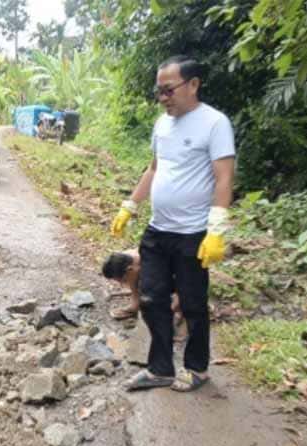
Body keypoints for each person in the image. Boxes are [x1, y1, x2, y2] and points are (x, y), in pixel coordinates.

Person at [110, 55, 236, 393]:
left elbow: (223, 178)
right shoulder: (161, 125)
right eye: (159, 92)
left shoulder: (214, 123)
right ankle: (160, 368)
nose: (163, 98)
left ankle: (196, 368)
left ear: (193, 85)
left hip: (193, 233)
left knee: (193, 304)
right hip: (158, 230)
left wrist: (217, 230)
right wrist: (130, 205)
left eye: (169, 90)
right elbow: (153, 168)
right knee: (151, 299)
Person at [101, 251, 187, 341]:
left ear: (130, 269)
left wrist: (172, 310)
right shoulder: (127, 261)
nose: (122, 284)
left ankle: (183, 315)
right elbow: (134, 287)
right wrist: (133, 307)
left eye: (124, 280)